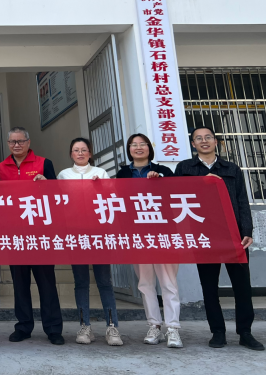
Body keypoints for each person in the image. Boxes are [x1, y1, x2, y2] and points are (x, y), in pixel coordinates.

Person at [175, 126, 264, 351]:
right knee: (209, 287)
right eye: (198, 138)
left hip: (233, 235)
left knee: (242, 286)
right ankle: (218, 332)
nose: (204, 141)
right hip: (203, 235)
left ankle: (245, 332)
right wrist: (202, 181)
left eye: (208, 137)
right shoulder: (185, 168)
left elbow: (242, 200)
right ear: (193, 144)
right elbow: (174, 195)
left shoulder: (232, 168)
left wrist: (247, 231)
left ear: (216, 142)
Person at [0, 126, 64, 345]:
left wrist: (47, 185)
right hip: (15, 234)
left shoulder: (44, 164)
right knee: (20, 283)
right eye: (12, 142)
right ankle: (24, 326)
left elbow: (57, 195)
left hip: (40, 234)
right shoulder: (1, 167)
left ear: (28, 142)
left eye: (20, 141)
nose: (16, 145)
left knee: (47, 283)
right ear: (8, 144)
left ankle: (53, 329)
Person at [116, 133, 182, 348]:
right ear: (129, 149)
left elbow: (176, 195)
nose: (138, 147)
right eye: (133, 144)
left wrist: (160, 181)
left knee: (168, 283)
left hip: (163, 234)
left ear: (149, 148)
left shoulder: (164, 171)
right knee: (145, 284)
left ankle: (173, 328)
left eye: (142, 144)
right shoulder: (123, 174)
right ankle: (154, 325)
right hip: (138, 235)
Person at [57, 137, 122, 346]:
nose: (80, 153)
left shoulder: (101, 173)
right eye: (76, 150)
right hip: (76, 234)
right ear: (71, 154)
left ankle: (112, 327)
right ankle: (84, 326)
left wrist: (102, 187)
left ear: (90, 153)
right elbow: (58, 202)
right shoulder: (63, 175)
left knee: (104, 281)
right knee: (81, 282)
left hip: (99, 234)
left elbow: (112, 199)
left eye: (84, 150)